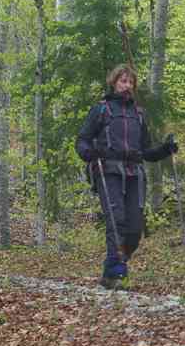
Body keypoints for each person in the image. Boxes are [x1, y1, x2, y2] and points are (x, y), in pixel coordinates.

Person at [75, 64, 178, 289]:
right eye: (123, 81)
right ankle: (116, 274)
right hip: (108, 170)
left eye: (130, 82)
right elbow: (82, 140)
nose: (127, 86)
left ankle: (113, 265)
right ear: (114, 82)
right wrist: (89, 153)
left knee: (134, 228)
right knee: (116, 220)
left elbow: (147, 151)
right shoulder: (101, 110)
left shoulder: (138, 114)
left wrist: (166, 149)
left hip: (134, 173)